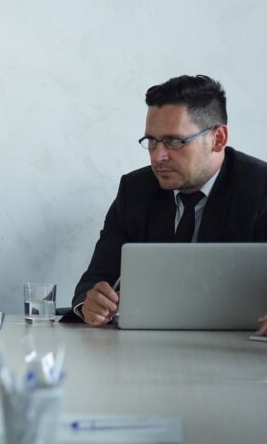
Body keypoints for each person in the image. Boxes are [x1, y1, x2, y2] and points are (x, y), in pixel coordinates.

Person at [73, 75, 267, 327]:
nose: (158, 156)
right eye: (152, 141)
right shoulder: (135, 190)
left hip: (240, 350)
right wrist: (91, 303)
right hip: (149, 349)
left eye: (174, 141)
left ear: (218, 139)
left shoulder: (260, 188)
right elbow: (96, 278)